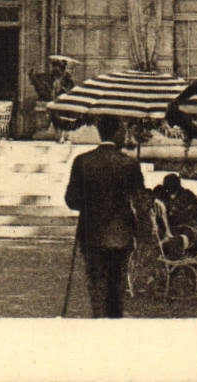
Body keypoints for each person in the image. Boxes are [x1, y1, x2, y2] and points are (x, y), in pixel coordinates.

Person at [64, 114, 146, 318]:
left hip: (91, 233)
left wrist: (91, 202)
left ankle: (99, 323)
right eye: (123, 131)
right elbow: (140, 200)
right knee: (117, 288)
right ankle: (114, 324)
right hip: (121, 234)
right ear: (117, 132)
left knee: (97, 285)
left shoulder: (82, 161)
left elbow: (72, 200)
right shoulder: (129, 164)